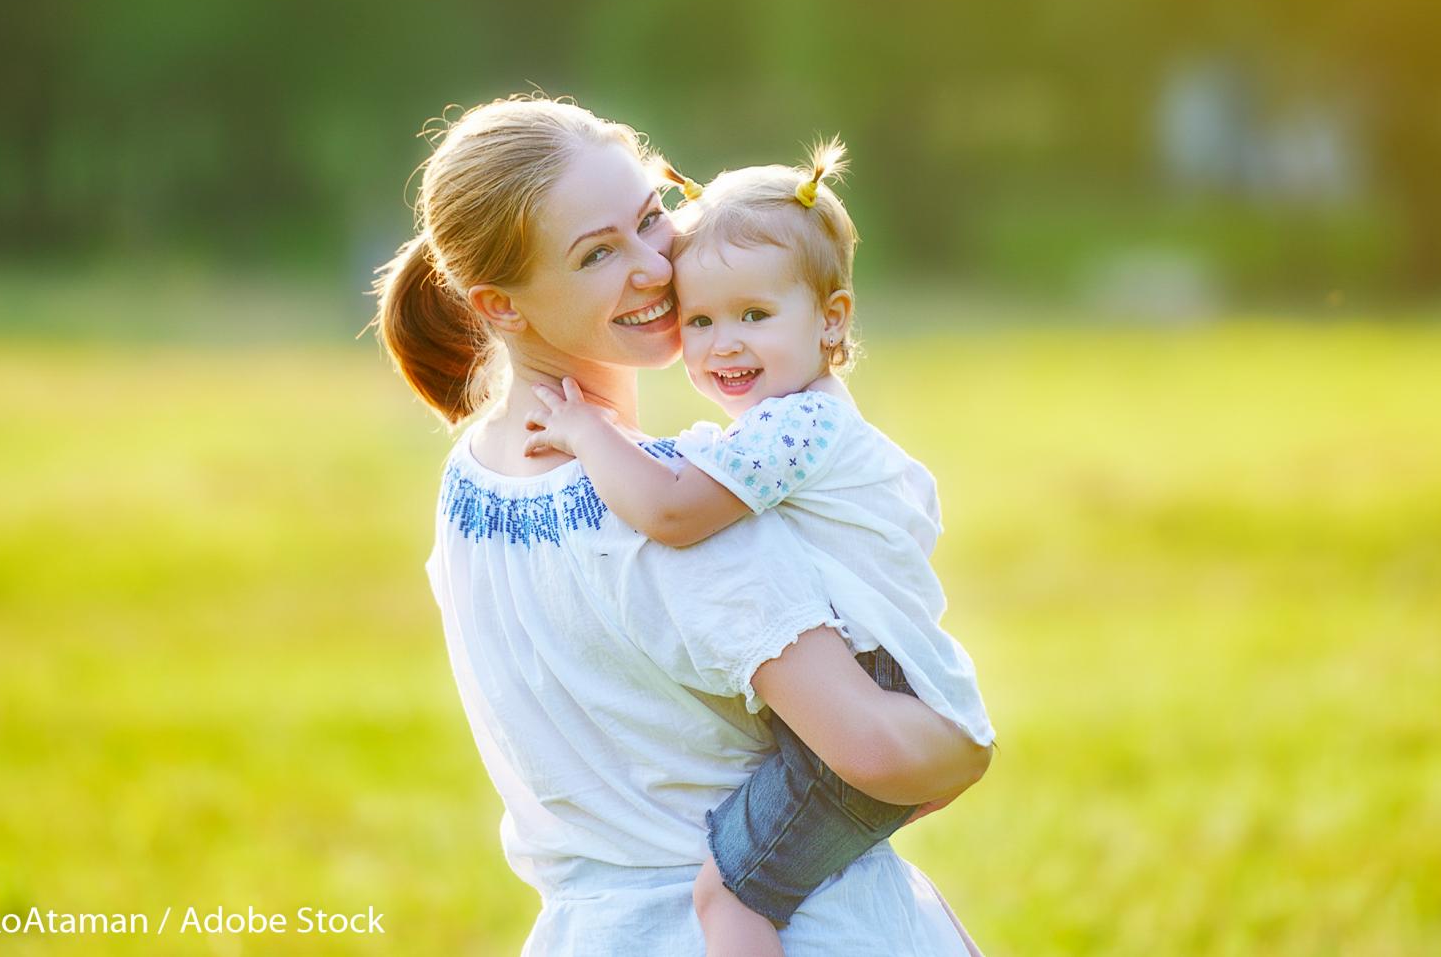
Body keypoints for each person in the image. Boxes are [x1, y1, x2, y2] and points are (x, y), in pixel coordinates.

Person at [371, 96, 991, 955]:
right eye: (597, 254)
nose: (656, 267)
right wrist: (968, 751)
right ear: (501, 307)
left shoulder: (469, 481)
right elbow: (883, 749)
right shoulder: (686, 515)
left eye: (650, 217)